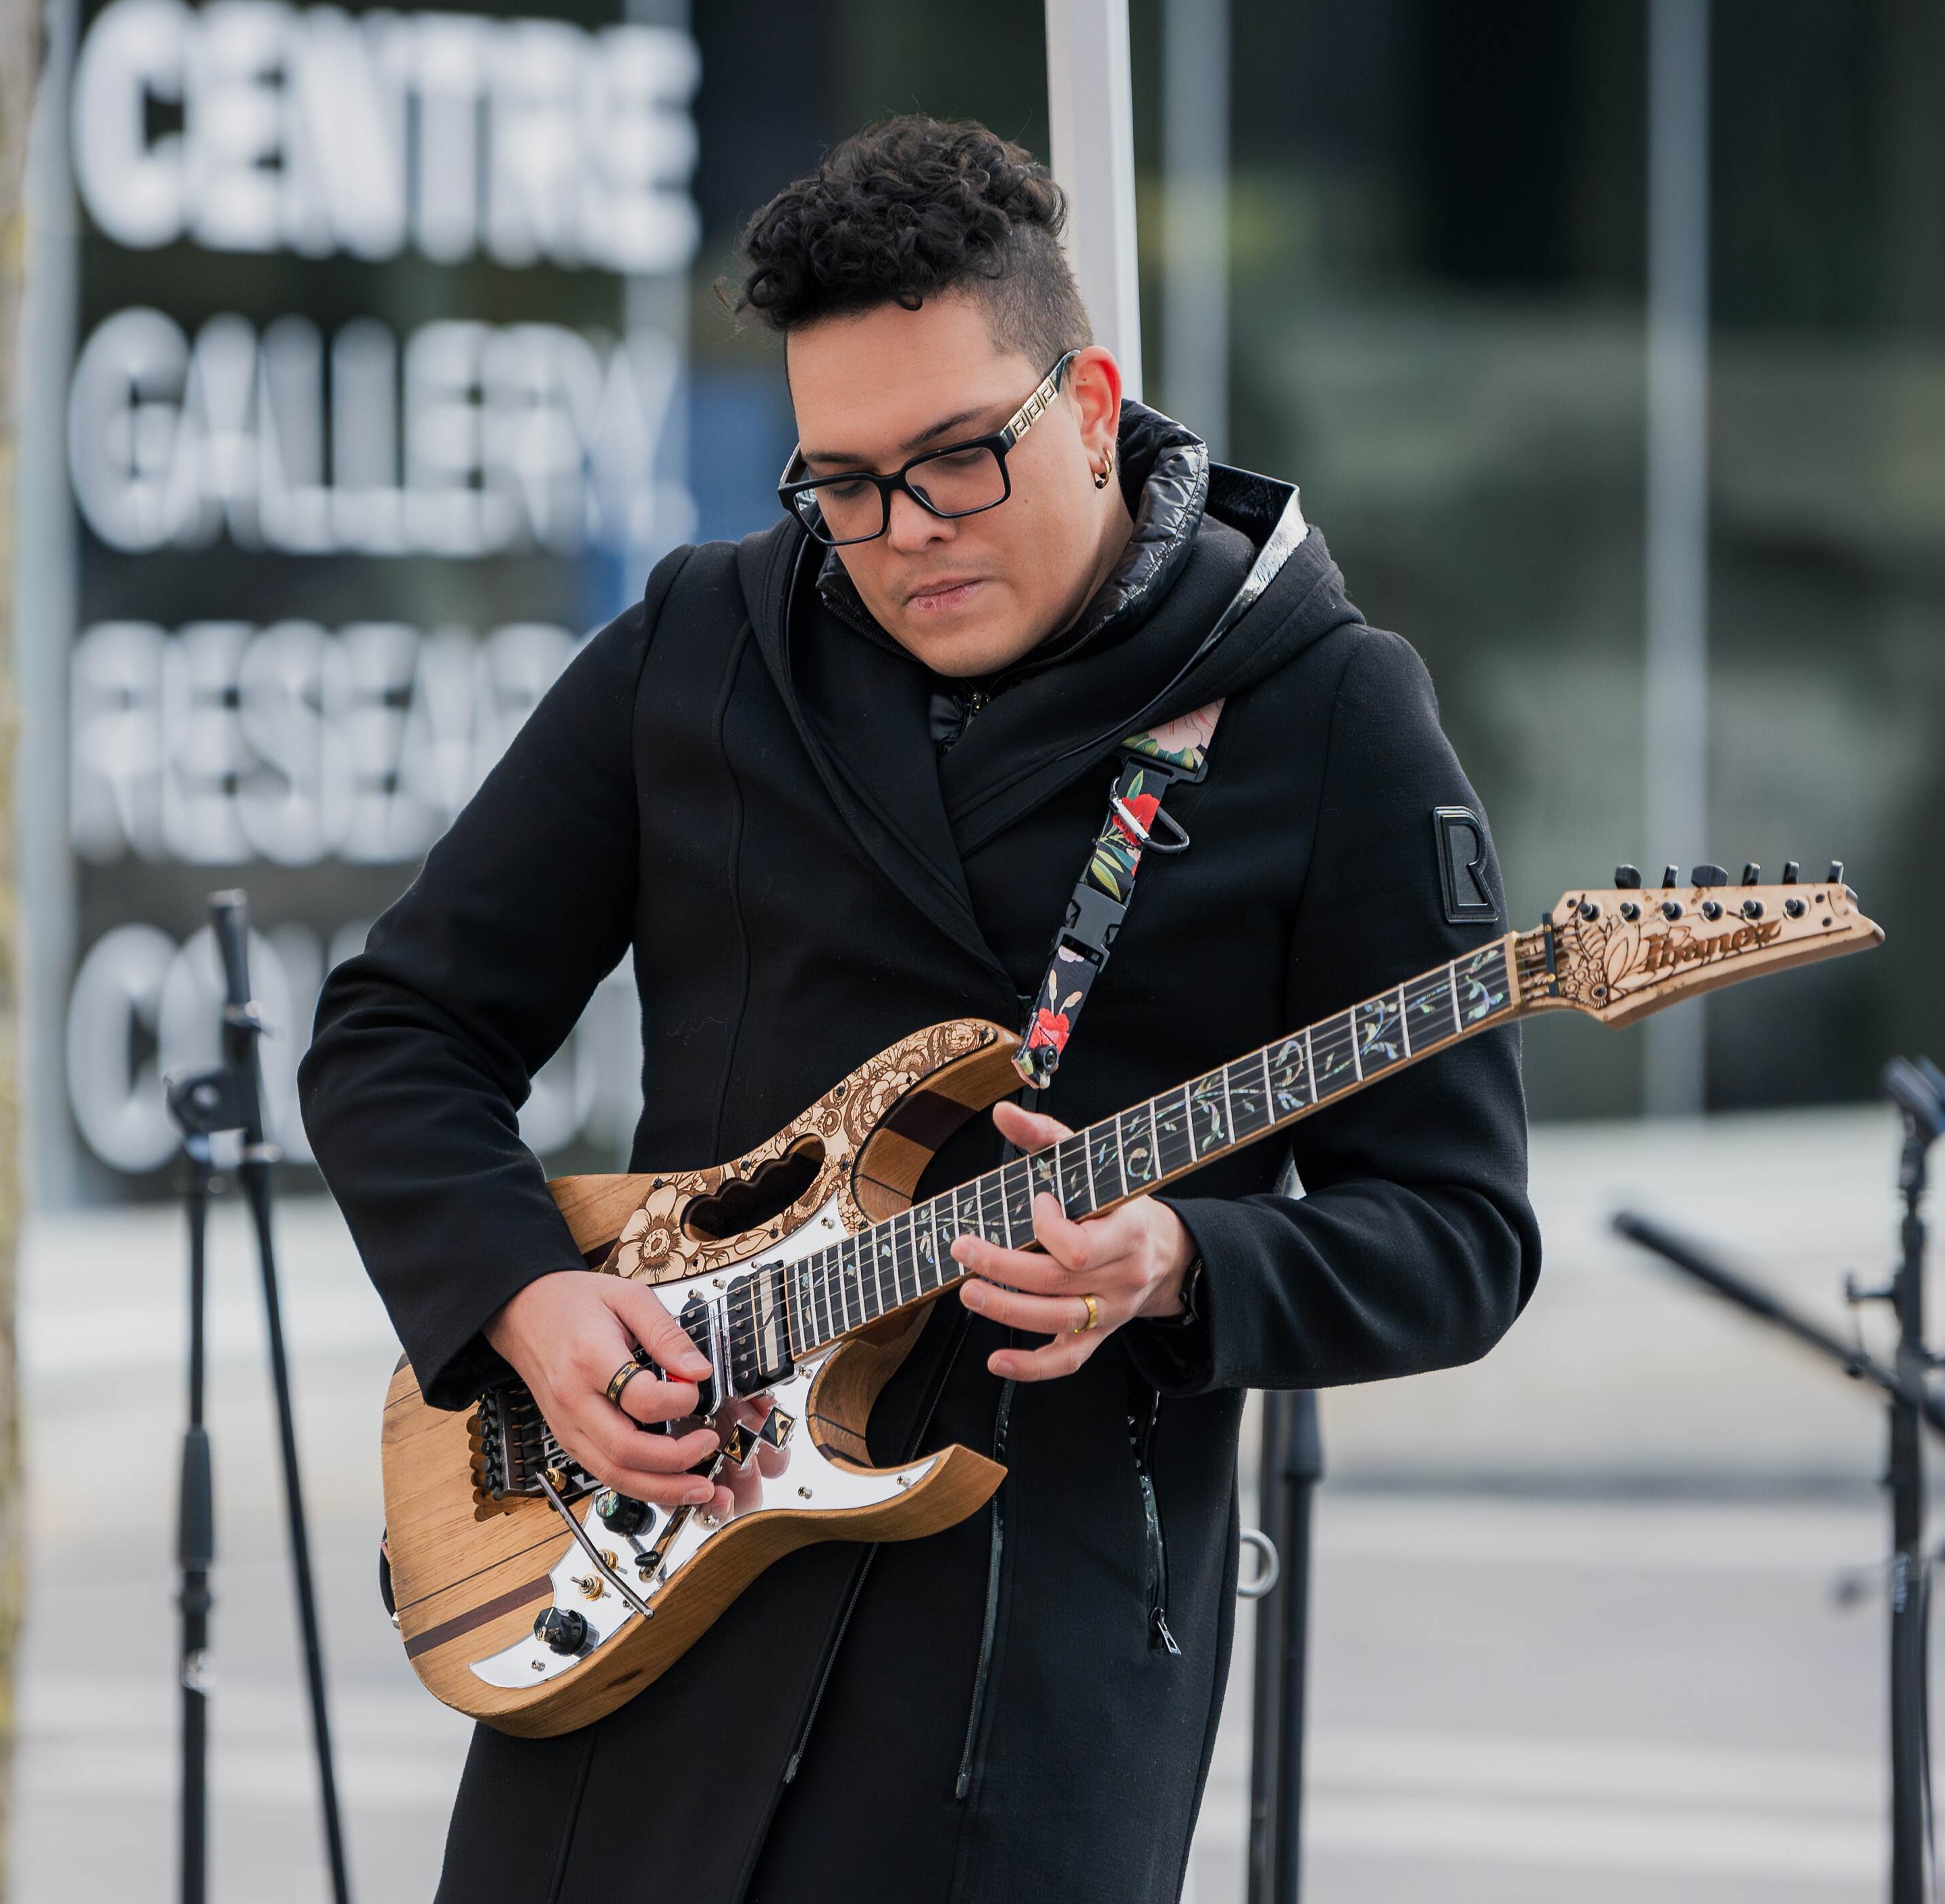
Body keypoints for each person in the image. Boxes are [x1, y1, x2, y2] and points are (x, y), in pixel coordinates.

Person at [299, 114, 1540, 1904]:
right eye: (844, 483)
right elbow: (400, 1027)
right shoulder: (700, 649)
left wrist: (1184, 1263)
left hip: (1024, 1685)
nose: (904, 535)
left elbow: (1461, 1233)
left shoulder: (1330, 713)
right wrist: (529, 1304)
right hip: (638, 1603)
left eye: (960, 460)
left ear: (1092, 406)